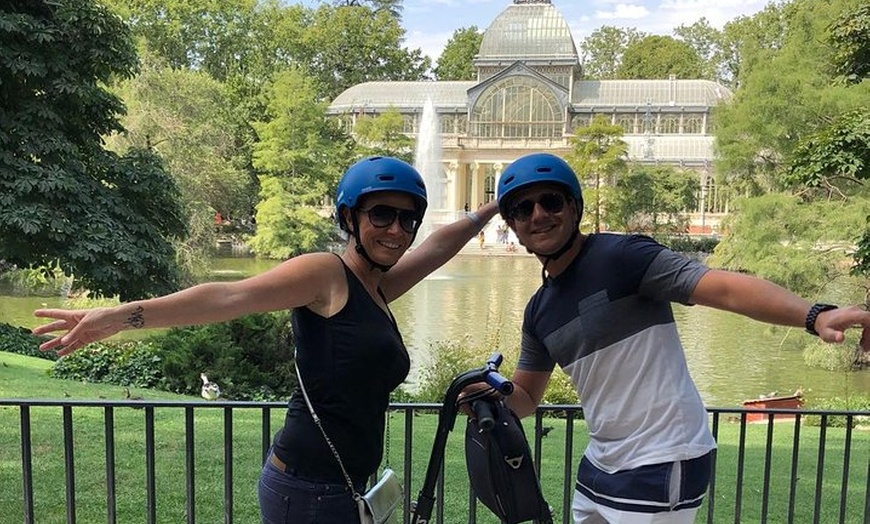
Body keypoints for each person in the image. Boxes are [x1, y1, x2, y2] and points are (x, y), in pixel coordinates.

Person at [31, 156, 498, 524]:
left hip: (341, 486)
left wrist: (500, 201)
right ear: (349, 217)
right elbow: (227, 297)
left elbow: (436, 248)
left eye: (407, 219)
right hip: (308, 489)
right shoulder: (326, 275)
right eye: (381, 214)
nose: (396, 230)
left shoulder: (376, 287)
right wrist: (118, 317)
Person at [490, 152, 870, 524]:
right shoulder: (539, 310)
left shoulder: (622, 256)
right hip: (601, 462)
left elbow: (724, 289)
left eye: (551, 201)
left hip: (661, 456)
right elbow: (524, 400)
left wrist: (815, 315)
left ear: (574, 207)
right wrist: (484, 395)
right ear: (513, 224)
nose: (539, 215)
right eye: (523, 209)